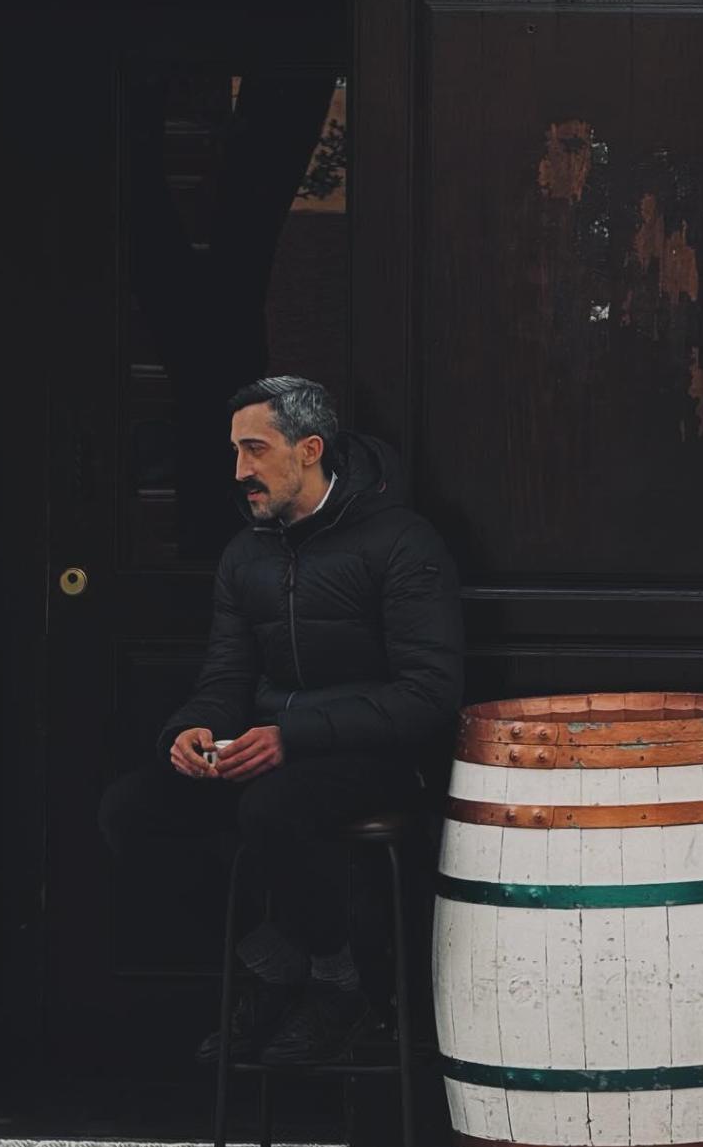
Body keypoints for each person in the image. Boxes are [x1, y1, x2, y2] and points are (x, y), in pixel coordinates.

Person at [99, 375, 463, 1066]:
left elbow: (429, 693)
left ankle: (340, 985)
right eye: (235, 452)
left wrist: (291, 737)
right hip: (267, 745)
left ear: (310, 449)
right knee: (131, 810)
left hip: (374, 754)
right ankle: (275, 965)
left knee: (270, 810)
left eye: (255, 451)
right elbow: (226, 678)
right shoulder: (248, 553)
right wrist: (191, 730)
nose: (240, 472)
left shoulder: (401, 542)